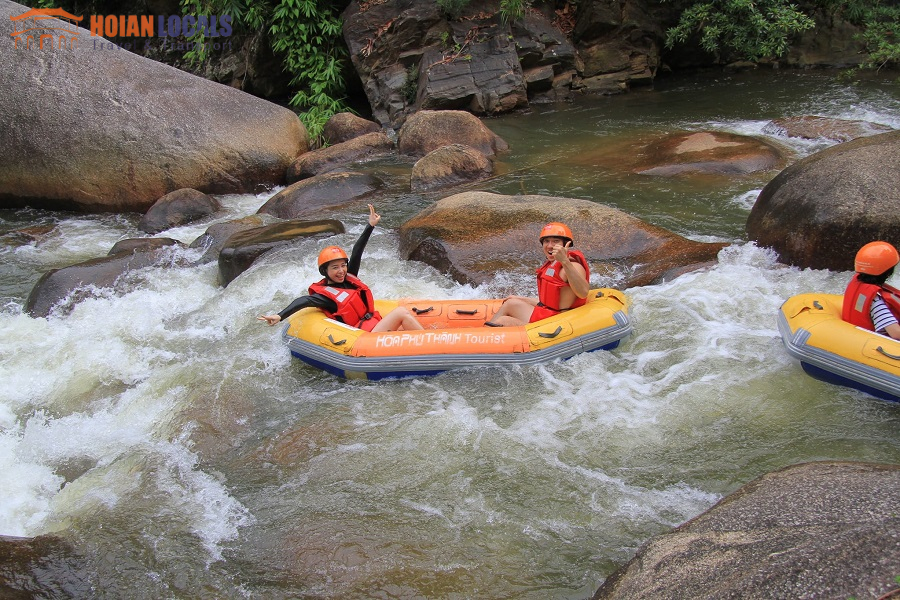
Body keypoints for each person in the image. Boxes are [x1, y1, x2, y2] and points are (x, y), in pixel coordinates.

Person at [258, 204, 424, 332]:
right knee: (401, 312)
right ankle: (434, 346)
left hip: (373, 325)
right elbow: (303, 301)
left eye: (343, 266)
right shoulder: (326, 297)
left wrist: (370, 226)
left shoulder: (349, 278)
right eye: (335, 267)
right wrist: (280, 315)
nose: (341, 271)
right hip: (364, 337)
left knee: (405, 321)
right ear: (325, 271)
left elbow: (357, 252)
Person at [484, 222, 591, 327]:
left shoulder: (573, 266)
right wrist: (521, 298)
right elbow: (547, 303)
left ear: (566, 244)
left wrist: (565, 261)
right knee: (511, 303)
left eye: (556, 241)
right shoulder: (552, 264)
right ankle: (481, 335)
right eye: (546, 241)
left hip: (559, 322)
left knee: (503, 321)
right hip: (547, 315)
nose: (550, 245)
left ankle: (481, 339)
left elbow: (583, 293)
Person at [842, 240, 900, 340]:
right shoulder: (876, 302)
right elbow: (896, 334)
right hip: (881, 346)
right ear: (888, 272)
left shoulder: (860, 285)